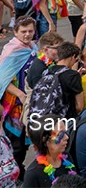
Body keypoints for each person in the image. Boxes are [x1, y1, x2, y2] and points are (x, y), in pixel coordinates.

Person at [0, 17, 36, 179]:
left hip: (30, 102)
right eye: (23, 31)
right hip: (14, 104)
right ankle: (14, 172)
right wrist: (20, 94)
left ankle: (19, 170)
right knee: (15, 142)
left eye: (30, 31)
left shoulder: (33, 47)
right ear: (15, 32)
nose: (27, 35)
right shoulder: (11, 50)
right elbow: (2, 79)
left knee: (26, 141)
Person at [22, 113, 75, 188]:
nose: (66, 137)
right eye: (60, 134)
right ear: (45, 140)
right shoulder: (33, 174)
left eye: (66, 132)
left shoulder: (67, 158)